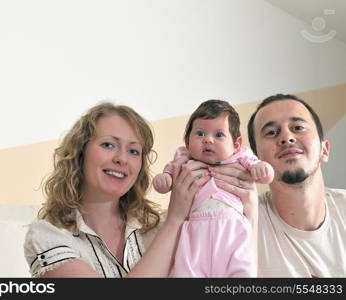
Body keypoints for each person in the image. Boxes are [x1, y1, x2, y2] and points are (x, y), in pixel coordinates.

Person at [23, 102, 214, 277]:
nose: (122, 159)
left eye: (133, 151)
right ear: (80, 153)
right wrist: (175, 219)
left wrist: (244, 200)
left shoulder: (159, 226)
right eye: (108, 145)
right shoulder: (47, 236)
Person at [153, 100, 274, 277]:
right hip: (194, 232)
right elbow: (167, 179)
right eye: (200, 133)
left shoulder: (241, 157)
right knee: (185, 272)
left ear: (236, 144)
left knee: (242, 271)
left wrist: (263, 169)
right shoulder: (183, 159)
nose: (208, 140)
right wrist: (163, 179)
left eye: (219, 135)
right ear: (187, 142)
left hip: (232, 229)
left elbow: (265, 175)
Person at [247, 93, 346, 277]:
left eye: (298, 127)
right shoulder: (240, 225)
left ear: (324, 150)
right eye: (271, 132)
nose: (286, 137)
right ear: (255, 161)